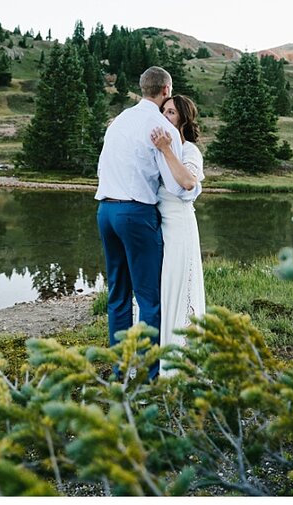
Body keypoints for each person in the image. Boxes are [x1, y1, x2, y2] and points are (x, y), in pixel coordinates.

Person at [95, 64, 191, 375]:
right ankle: (150, 375)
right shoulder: (161, 127)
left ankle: (120, 370)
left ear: (141, 89)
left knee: (118, 294)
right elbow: (177, 185)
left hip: (105, 211)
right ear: (166, 91)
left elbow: (103, 166)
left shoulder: (119, 121)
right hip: (135, 213)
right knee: (149, 297)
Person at [150, 92, 205, 371]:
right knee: (163, 288)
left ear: (183, 120)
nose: (165, 117)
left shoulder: (189, 151)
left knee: (180, 286)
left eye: (170, 112)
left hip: (181, 228)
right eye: (163, 111)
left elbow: (186, 182)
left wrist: (167, 149)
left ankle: (181, 360)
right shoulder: (157, 150)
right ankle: (159, 355)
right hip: (160, 227)